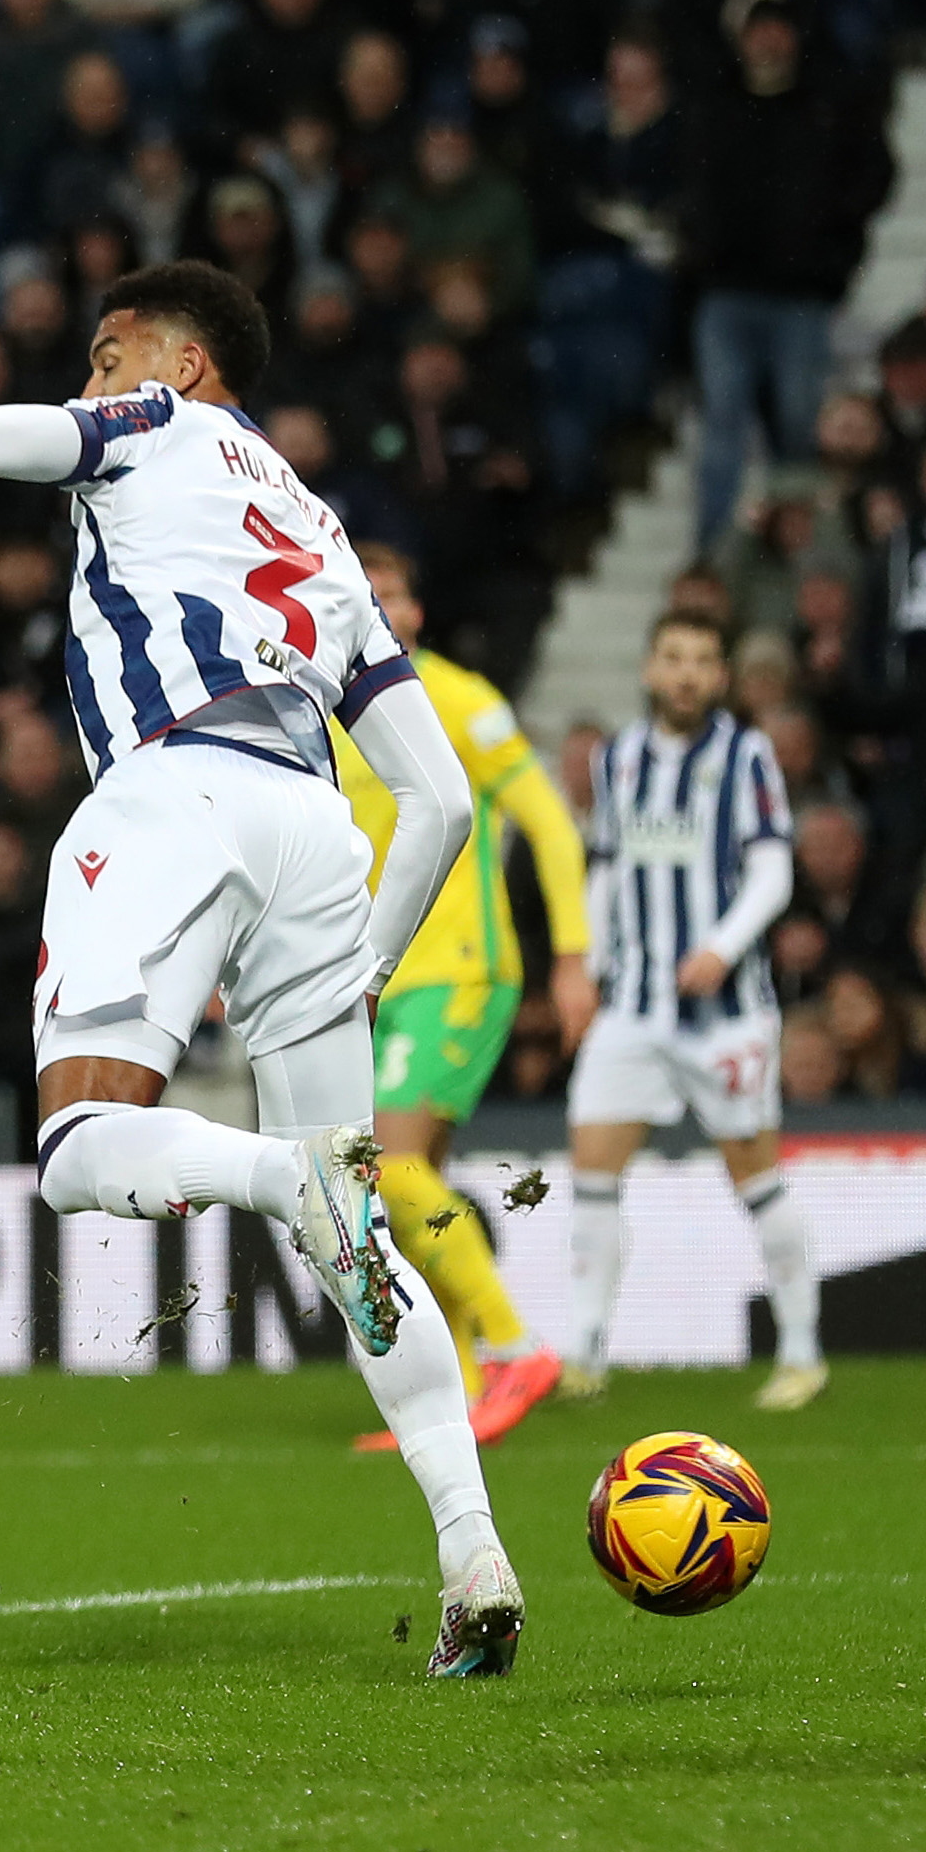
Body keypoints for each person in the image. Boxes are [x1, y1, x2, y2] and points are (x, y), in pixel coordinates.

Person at [0, 260, 525, 1678]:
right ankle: (471, 1550)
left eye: (108, 351)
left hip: (173, 790)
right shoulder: (324, 536)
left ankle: (278, 1172)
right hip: (317, 833)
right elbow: (437, 800)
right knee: (351, 1228)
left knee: (80, 1147)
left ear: (181, 367)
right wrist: (362, 969)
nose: (88, 380)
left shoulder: (144, 428)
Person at [336, 544, 594, 1450]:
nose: (384, 608)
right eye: (369, 593)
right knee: (408, 1190)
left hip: (462, 969)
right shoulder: (326, 716)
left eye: (397, 594)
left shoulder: (457, 699)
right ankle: (471, 1386)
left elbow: (550, 823)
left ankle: (516, 1346)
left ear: (416, 612)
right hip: (375, 979)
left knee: (389, 1170)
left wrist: (571, 956)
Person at [564, 610, 819, 1413]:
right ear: (649, 668)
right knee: (593, 1175)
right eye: (672, 657)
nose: (686, 673)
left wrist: (721, 945)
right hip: (633, 1008)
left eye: (703, 660)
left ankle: (803, 1352)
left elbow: (774, 870)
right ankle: (586, 1348)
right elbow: (605, 864)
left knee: (758, 1179)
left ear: (721, 676)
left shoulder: (746, 755)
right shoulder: (621, 758)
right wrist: (590, 961)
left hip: (727, 1014)